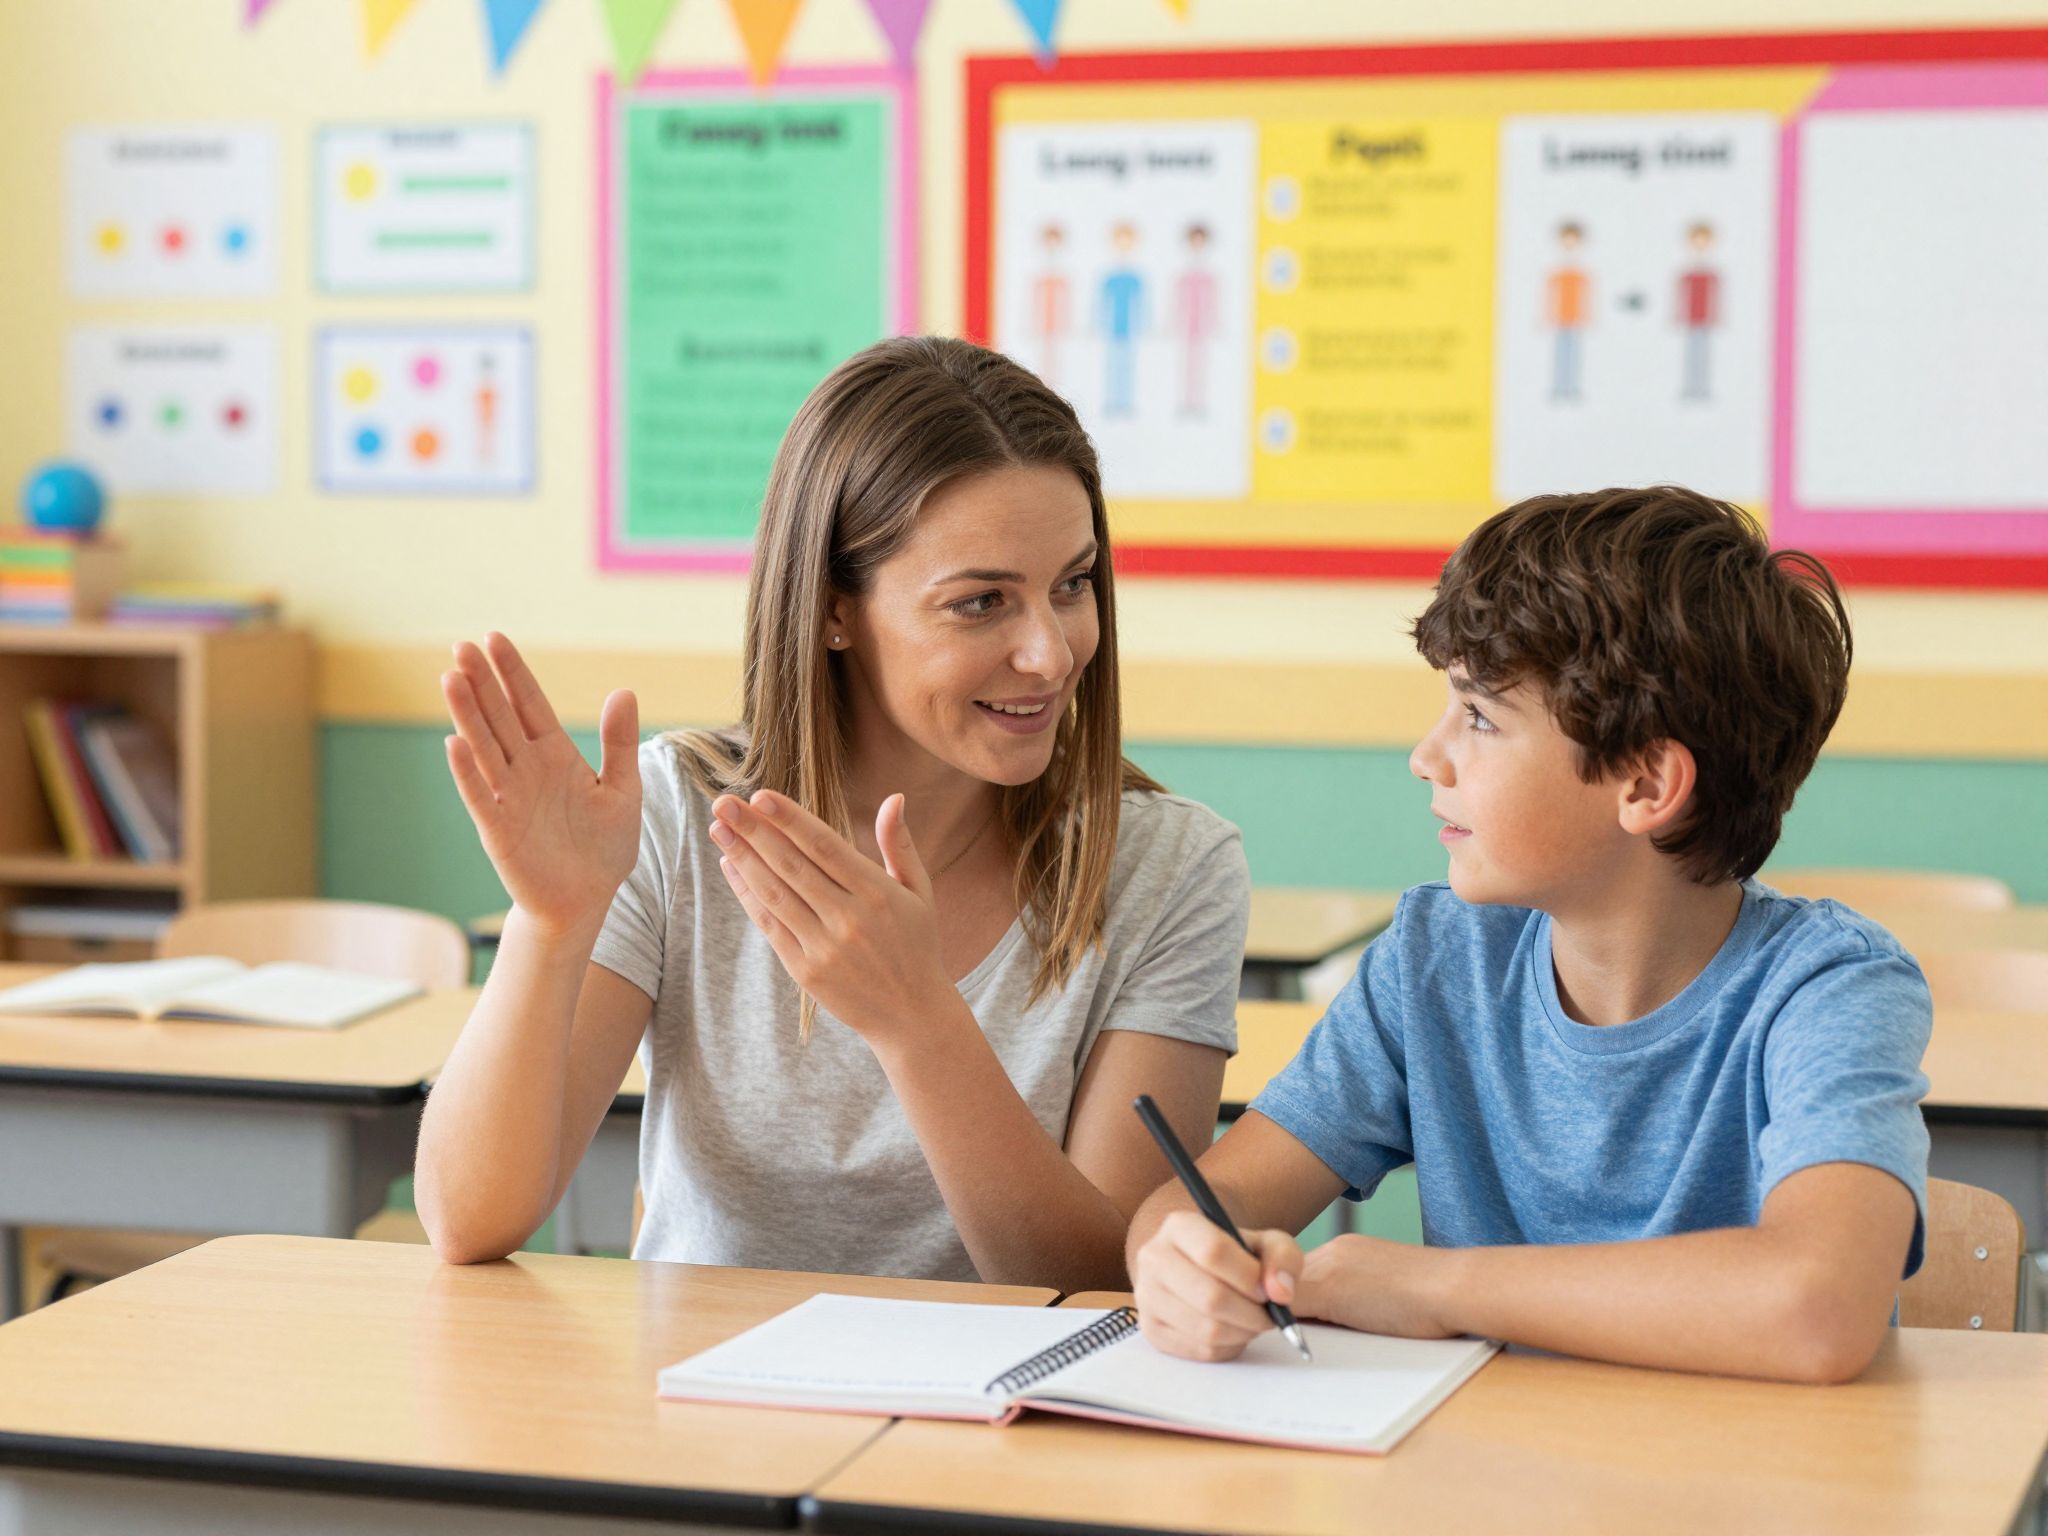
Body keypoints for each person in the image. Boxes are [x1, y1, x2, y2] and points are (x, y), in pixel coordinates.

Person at [418, 336, 1248, 1290]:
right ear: (830, 610)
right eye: (980, 603)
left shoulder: (1173, 866)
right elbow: (467, 1220)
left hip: (1014, 1424)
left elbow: (1101, 1287)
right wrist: (551, 925)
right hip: (709, 1416)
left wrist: (917, 1022)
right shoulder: (674, 820)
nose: (1052, 654)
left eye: (1072, 584)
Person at [1128, 485, 1930, 1384]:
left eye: (1479, 717)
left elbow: (1818, 1307)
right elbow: (1206, 1201)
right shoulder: (1437, 962)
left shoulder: (1831, 989)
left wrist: (1438, 1288)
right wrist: (1180, 1258)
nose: (1426, 757)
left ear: (1645, 784)